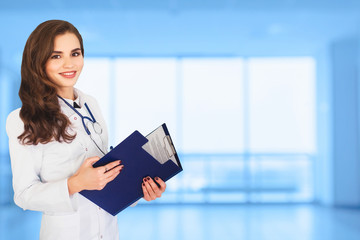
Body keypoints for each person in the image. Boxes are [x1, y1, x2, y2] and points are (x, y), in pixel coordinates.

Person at [6, 20, 166, 240]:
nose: (69, 64)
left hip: (107, 231)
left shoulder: (91, 104)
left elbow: (103, 175)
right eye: (56, 56)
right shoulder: (23, 119)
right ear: (38, 61)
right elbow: (23, 195)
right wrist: (76, 183)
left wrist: (139, 189)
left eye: (75, 53)